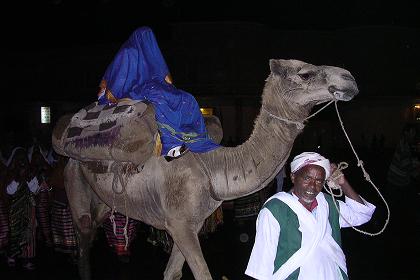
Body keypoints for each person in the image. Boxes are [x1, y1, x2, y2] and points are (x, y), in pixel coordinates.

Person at [245, 152, 376, 280]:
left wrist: (342, 182)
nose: (312, 186)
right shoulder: (275, 209)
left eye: (319, 180)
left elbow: (362, 214)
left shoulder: (327, 204)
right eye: (307, 178)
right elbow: (262, 265)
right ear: (293, 177)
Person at [97, 26, 219, 158]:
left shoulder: (146, 54)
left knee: (186, 97)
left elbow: (161, 73)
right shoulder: (128, 52)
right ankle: (169, 145)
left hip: (149, 85)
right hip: (127, 91)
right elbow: (119, 79)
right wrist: (113, 94)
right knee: (158, 97)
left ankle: (197, 137)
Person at [4, 147, 40, 270]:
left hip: (29, 210)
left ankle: (27, 259)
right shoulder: (11, 174)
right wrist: (18, 178)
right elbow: (9, 191)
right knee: (15, 233)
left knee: (29, 234)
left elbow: (36, 190)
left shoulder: (31, 173)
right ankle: (12, 256)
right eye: (19, 159)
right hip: (15, 210)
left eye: (23, 158)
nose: (21, 161)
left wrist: (29, 179)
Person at [48, 153, 78, 263]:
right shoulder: (58, 170)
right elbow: (52, 186)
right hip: (61, 203)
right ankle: (71, 252)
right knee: (65, 230)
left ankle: (75, 252)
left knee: (74, 230)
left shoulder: (75, 169)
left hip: (73, 204)